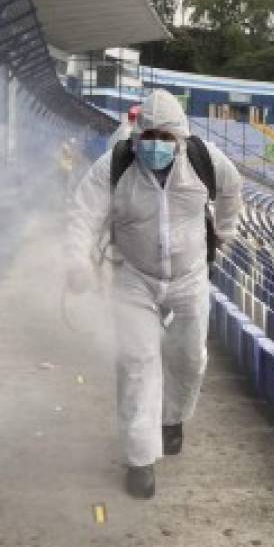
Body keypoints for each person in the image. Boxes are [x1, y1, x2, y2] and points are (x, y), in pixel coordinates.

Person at [67, 90, 243, 498]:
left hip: (189, 277)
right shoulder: (114, 165)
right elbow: (84, 212)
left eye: (167, 137)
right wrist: (77, 259)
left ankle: (173, 418)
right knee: (136, 363)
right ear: (136, 135)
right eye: (150, 135)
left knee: (189, 357)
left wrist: (227, 234)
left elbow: (233, 191)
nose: (157, 145)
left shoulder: (206, 161)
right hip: (134, 277)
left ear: (181, 138)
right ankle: (140, 458)